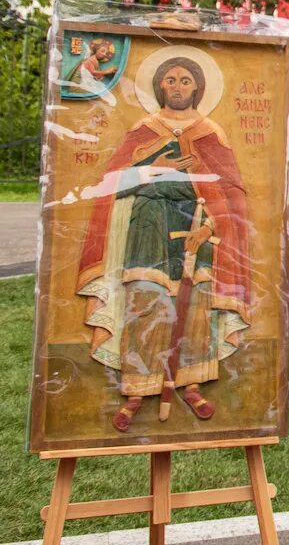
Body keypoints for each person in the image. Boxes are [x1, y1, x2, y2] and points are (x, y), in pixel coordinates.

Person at [75, 56, 253, 433]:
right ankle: (138, 388)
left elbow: (229, 193)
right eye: (170, 79)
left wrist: (208, 229)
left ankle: (189, 383)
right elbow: (114, 182)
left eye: (185, 80)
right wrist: (149, 166)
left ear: (197, 88)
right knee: (145, 299)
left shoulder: (210, 133)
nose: (177, 86)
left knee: (195, 307)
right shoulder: (142, 130)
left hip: (194, 226)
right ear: (159, 87)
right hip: (149, 224)